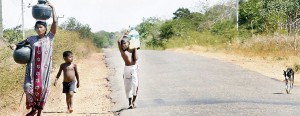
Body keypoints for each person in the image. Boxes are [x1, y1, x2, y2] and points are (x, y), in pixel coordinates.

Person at [9, 1, 56, 116]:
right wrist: (14, 46)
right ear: (35, 29)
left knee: (42, 88)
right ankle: (33, 108)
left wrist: (53, 7)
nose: (39, 29)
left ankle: (38, 110)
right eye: (37, 27)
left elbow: (55, 22)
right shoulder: (31, 39)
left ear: (45, 28)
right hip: (32, 69)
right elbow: (20, 44)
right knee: (28, 87)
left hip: (44, 70)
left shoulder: (50, 37)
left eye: (41, 27)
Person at [117, 32, 139, 109]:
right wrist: (123, 34)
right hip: (127, 69)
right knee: (127, 87)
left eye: (125, 43)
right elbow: (118, 41)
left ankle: (134, 101)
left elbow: (136, 59)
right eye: (122, 44)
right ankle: (130, 103)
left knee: (135, 84)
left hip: (134, 68)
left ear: (129, 43)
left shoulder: (132, 50)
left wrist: (135, 48)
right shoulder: (122, 52)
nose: (123, 45)